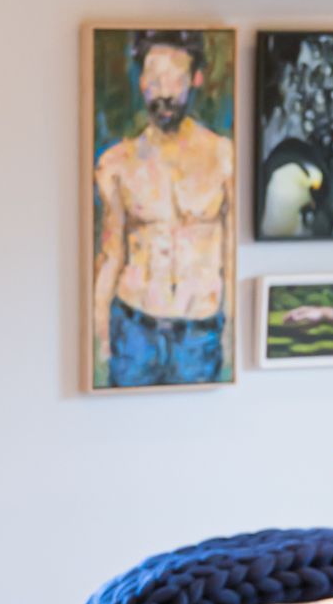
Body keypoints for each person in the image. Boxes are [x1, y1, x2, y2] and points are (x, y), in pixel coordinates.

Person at [92, 33, 233, 387]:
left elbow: (233, 253)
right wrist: (98, 333)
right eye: (155, 80)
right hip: (134, 327)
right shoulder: (115, 163)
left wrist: (234, 326)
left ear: (196, 79)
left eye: (176, 80)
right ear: (141, 82)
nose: (165, 93)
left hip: (200, 329)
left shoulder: (224, 158)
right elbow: (110, 253)